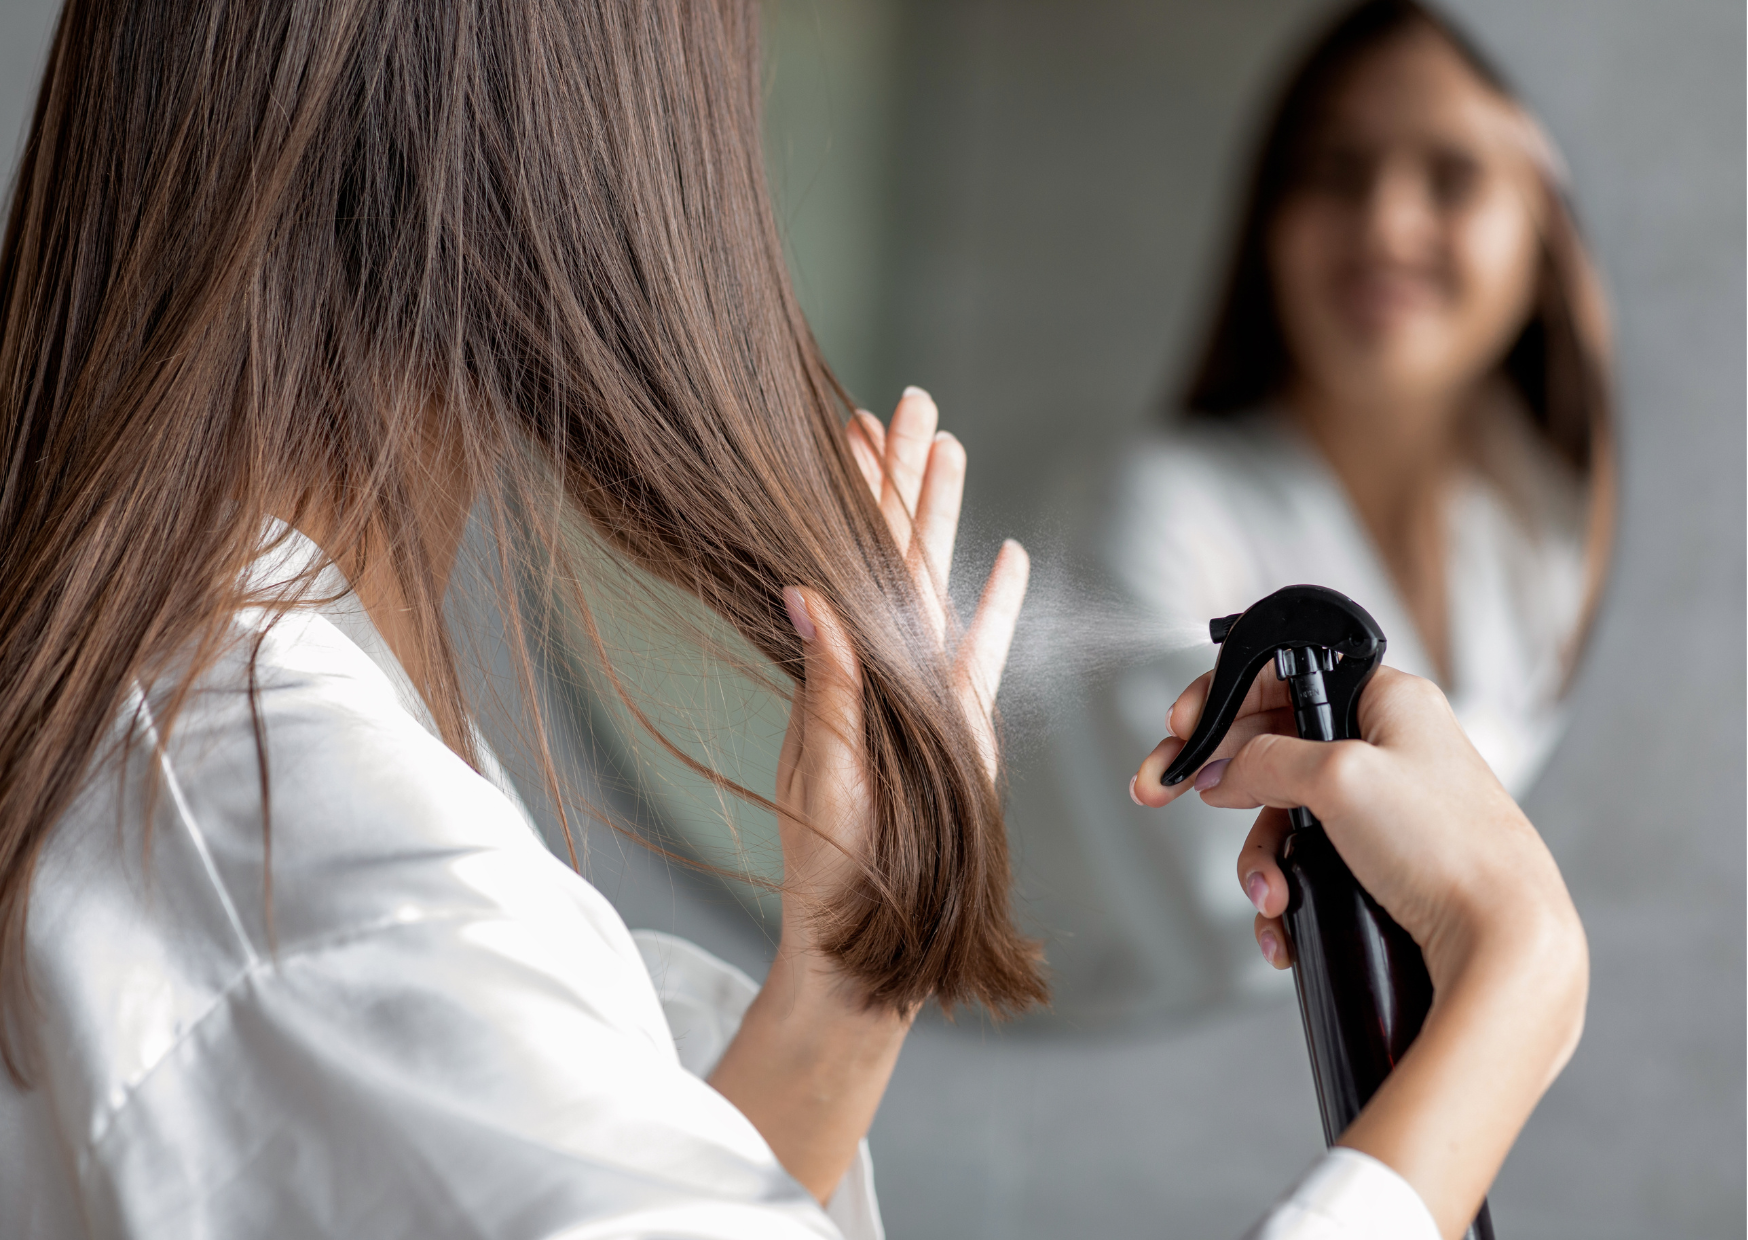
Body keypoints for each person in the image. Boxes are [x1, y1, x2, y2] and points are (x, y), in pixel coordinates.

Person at [0, 2, 1584, 1238]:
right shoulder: (286, 837)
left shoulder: (275, 755)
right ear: (544, 136)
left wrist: (838, 1001)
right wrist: (1505, 997)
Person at [1070, 0, 1614, 1015]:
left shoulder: (1542, 515)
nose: (1383, 224)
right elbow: (1227, 913)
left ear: (1544, 231)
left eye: (1450, 177)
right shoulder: (1163, 509)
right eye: (1334, 170)